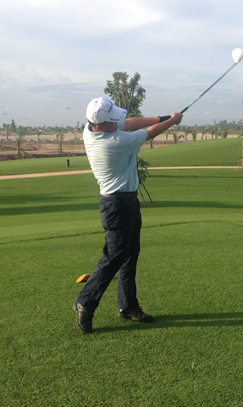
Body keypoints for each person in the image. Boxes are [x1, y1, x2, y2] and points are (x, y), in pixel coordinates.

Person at [73, 97, 183, 334]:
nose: (118, 122)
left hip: (127, 202)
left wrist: (163, 117)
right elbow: (149, 133)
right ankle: (85, 301)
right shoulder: (115, 142)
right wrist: (172, 122)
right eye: (113, 120)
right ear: (101, 124)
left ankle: (128, 306)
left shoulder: (92, 128)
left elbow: (131, 122)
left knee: (130, 255)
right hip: (117, 205)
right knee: (114, 256)